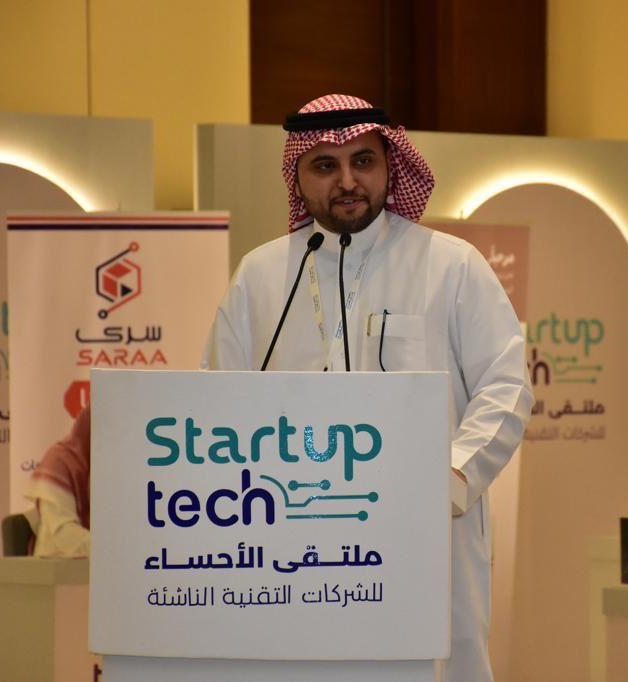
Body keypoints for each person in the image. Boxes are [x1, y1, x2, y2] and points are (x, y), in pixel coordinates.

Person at [202, 93, 533, 681]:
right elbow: (216, 402)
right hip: (291, 533)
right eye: (325, 166)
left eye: (363, 161)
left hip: (426, 529)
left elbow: (506, 385)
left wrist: (455, 477)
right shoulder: (260, 275)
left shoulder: (451, 266)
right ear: (298, 177)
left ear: (389, 166)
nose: (348, 181)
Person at [27, 405, 91, 557]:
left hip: (102, 565)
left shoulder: (113, 467)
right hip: (58, 563)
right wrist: (113, 550)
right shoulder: (58, 461)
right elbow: (64, 533)